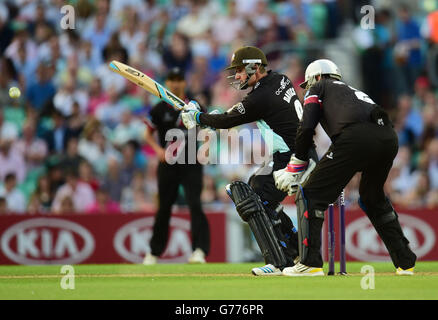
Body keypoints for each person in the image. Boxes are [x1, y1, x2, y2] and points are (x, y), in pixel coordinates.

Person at [273, 59, 417, 276]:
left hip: (355, 138)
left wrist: (297, 162)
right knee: (372, 197)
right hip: (388, 137)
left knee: (310, 194)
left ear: (317, 77)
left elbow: (306, 126)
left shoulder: (319, 87)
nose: (307, 89)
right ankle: (406, 262)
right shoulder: (352, 91)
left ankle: (310, 263)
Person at [182, 46, 316, 276]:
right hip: (300, 153)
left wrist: (197, 117)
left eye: (241, 70)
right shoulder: (280, 80)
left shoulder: (260, 97)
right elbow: (231, 114)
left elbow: (227, 120)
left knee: (253, 198)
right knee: (257, 190)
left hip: (292, 157)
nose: (238, 76)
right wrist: (202, 115)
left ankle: (278, 262)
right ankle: (296, 252)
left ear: (255, 67)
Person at [143, 67, 210, 265]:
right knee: (164, 207)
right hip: (168, 164)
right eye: (171, 79)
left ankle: (199, 250)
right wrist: (158, 151)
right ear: (167, 83)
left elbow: (207, 128)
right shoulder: (159, 108)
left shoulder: (193, 105)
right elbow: (147, 133)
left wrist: (204, 149)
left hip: (191, 162)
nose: (175, 83)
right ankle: (154, 252)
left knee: (195, 205)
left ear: (184, 83)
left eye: (178, 79)